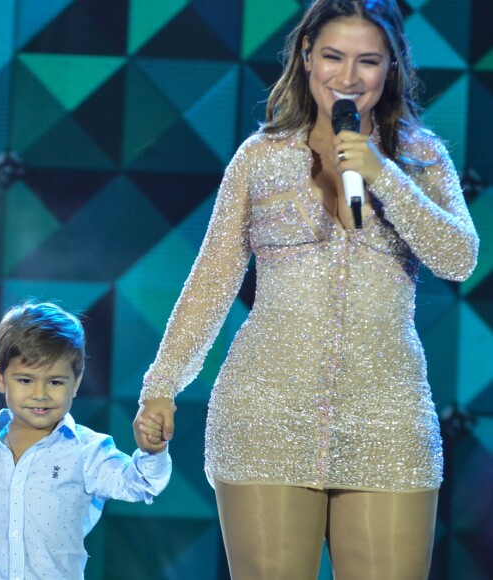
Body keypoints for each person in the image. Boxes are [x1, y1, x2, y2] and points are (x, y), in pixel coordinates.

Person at [134, 0, 479, 578]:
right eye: (333, 57)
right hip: (266, 411)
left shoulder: (420, 158)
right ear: (306, 56)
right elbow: (212, 280)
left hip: (387, 417)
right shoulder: (260, 158)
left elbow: (459, 258)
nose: (348, 77)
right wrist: (162, 384)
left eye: (368, 61)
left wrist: (381, 174)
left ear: (391, 66)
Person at [0, 301, 171, 579]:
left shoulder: (87, 451)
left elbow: (139, 484)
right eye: (25, 380)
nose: (40, 393)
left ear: (75, 382)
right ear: (0, 377)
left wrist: (151, 452)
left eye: (55, 382)